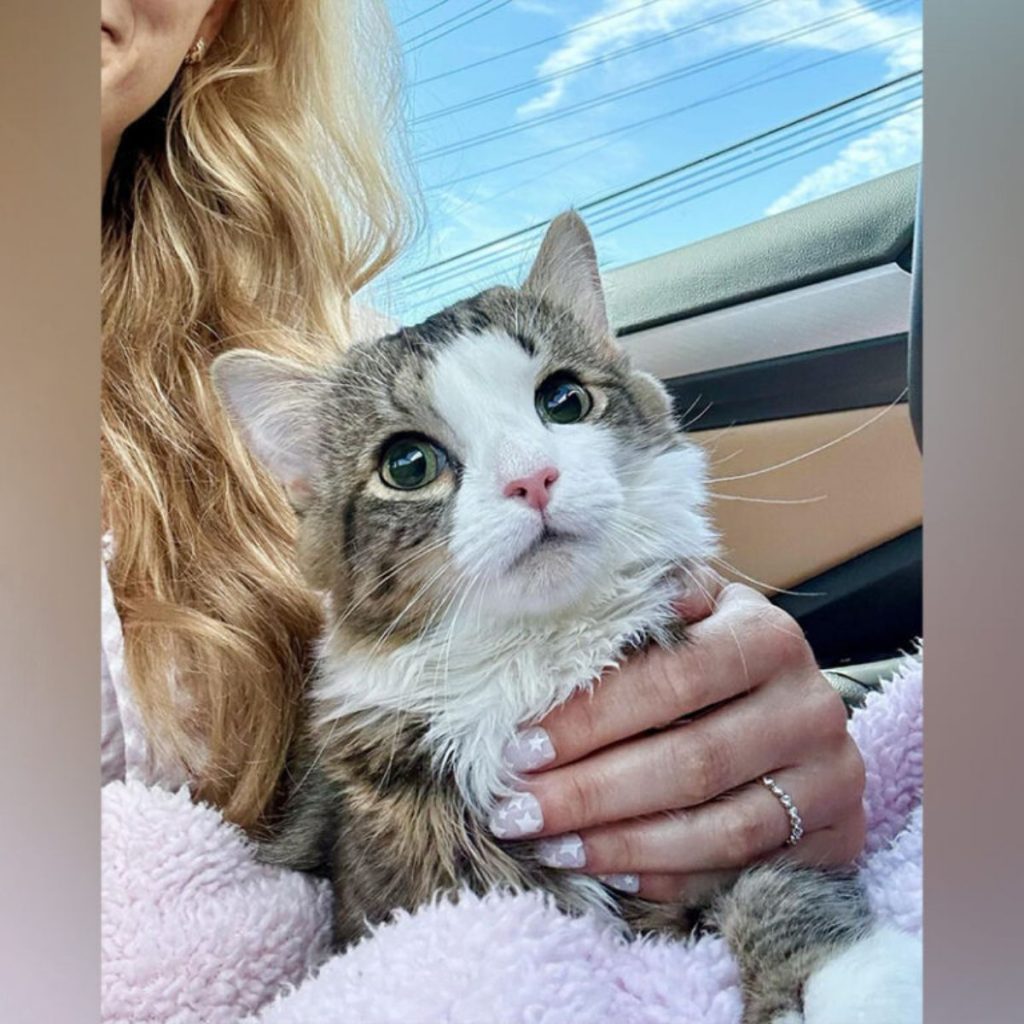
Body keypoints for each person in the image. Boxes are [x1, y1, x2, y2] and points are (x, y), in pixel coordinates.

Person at [100, 0, 866, 900]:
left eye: (561, 401)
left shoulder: (332, 360)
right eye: (417, 463)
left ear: (215, 19)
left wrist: (758, 757)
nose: (525, 473)